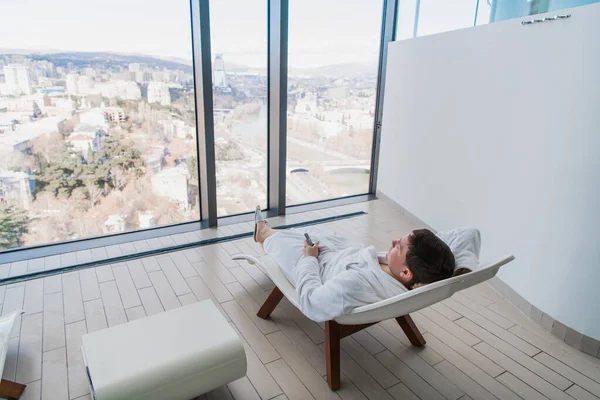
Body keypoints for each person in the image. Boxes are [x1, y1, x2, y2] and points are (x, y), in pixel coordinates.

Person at [253, 208, 472, 322]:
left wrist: (309, 258)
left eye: (399, 247)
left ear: (406, 272)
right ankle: (275, 233)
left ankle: (264, 232)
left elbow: (311, 304)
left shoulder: (355, 284)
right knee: (310, 233)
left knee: (280, 242)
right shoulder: (423, 272)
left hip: (319, 268)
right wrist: (452, 268)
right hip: (343, 255)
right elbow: (469, 235)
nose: (394, 242)